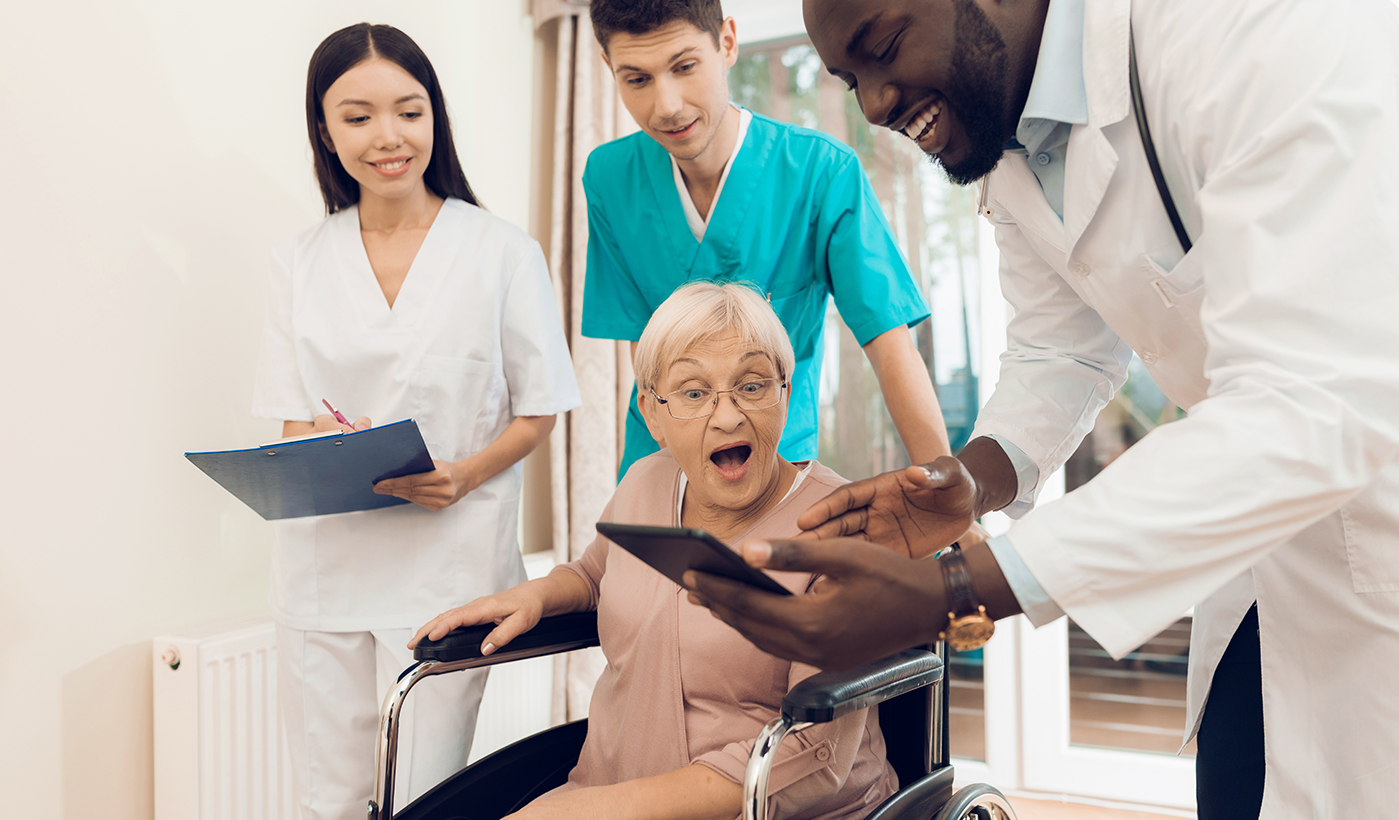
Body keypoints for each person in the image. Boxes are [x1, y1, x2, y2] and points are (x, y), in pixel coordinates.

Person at [684, 0, 1399, 817]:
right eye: (849, 80)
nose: (873, 106)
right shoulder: (1004, 126)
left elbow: (1313, 393)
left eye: (885, 48)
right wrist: (968, 484)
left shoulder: (1254, 23)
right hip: (1272, 536)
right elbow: (1060, 347)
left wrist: (955, 589)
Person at [251, 23, 581, 819]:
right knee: (326, 801)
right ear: (325, 132)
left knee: (426, 800)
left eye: (409, 110)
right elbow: (285, 420)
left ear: (436, 118)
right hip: (324, 570)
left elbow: (540, 407)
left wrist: (465, 473)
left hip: (448, 568)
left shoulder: (502, 251)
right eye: (357, 116)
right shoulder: (296, 261)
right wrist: (326, 446)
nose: (388, 137)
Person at [412, 282, 898, 820]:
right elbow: (597, 575)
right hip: (611, 782)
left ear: (785, 391)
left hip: (760, 807)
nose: (728, 416)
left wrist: (600, 812)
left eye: (752, 385)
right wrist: (540, 594)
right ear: (653, 413)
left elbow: (817, 754)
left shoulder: (839, 530)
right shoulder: (646, 481)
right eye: (693, 393)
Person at [581, 0, 953, 481]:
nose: (666, 106)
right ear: (609, 67)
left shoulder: (822, 173)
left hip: (774, 464)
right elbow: (643, 350)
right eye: (637, 79)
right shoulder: (609, 178)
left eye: (685, 66)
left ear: (728, 43)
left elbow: (889, 344)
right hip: (659, 466)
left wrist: (951, 503)